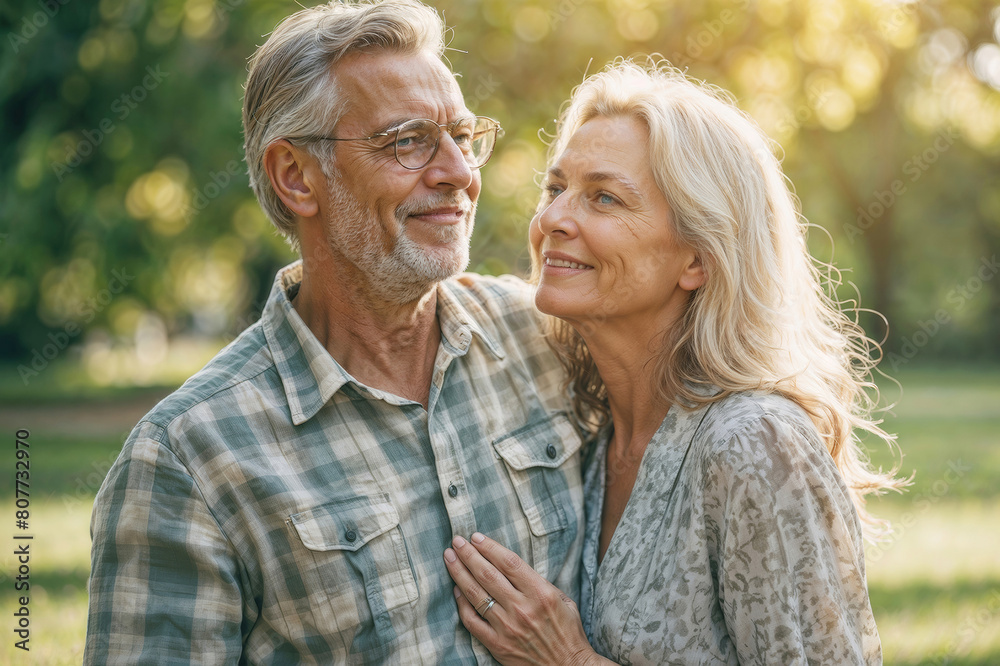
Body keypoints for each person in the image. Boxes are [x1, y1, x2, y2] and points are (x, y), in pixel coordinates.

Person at [84, 1, 586, 662]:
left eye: (462, 138)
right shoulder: (188, 463)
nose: (459, 174)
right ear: (296, 177)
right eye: (407, 141)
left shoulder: (551, 340)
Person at [443, 59, 906, 665]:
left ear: (697, 259)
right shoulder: (589, 431)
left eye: (603, 198)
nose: (553, 219)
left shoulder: (754, 444)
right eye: (556, 189)